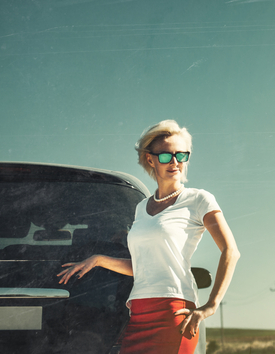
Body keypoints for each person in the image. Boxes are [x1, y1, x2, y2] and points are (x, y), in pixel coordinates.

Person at [58, 120, 240, 354]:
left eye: (181, 155)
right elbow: (143, 267)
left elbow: (231, 251)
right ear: (149, 159)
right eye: (166, 156)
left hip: (174, 313)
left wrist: (210, 306)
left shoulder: (198, 200)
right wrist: (99, 259)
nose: (175, 162)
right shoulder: (141, 208)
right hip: (138, 313)